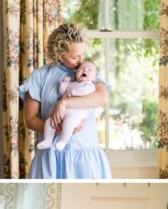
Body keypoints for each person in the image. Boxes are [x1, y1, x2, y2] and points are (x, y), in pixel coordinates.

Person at [19, 23, 111, 179]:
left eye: (83, 54)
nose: (81, 61)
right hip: (50, 157)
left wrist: (64, 103)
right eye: (75, 57)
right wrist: (59, 129)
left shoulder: (89, 72)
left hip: (84, 158)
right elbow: (30, 119)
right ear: (60, 55)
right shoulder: (40, 76)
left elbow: (102, 97)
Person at [37, 59, 98, 150]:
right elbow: (62, 93)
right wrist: (64, 83)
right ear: (76, 72)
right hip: (62, 111)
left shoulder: (89, 85)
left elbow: (85, 91)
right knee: (50, 121)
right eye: (82, 68)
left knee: (69, 123)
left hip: (76, 113)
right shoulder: (72, 84)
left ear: (94, 78)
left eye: (89, 70)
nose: (85, 70)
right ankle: (48, 140)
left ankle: (63, 141)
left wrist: (73, 92)